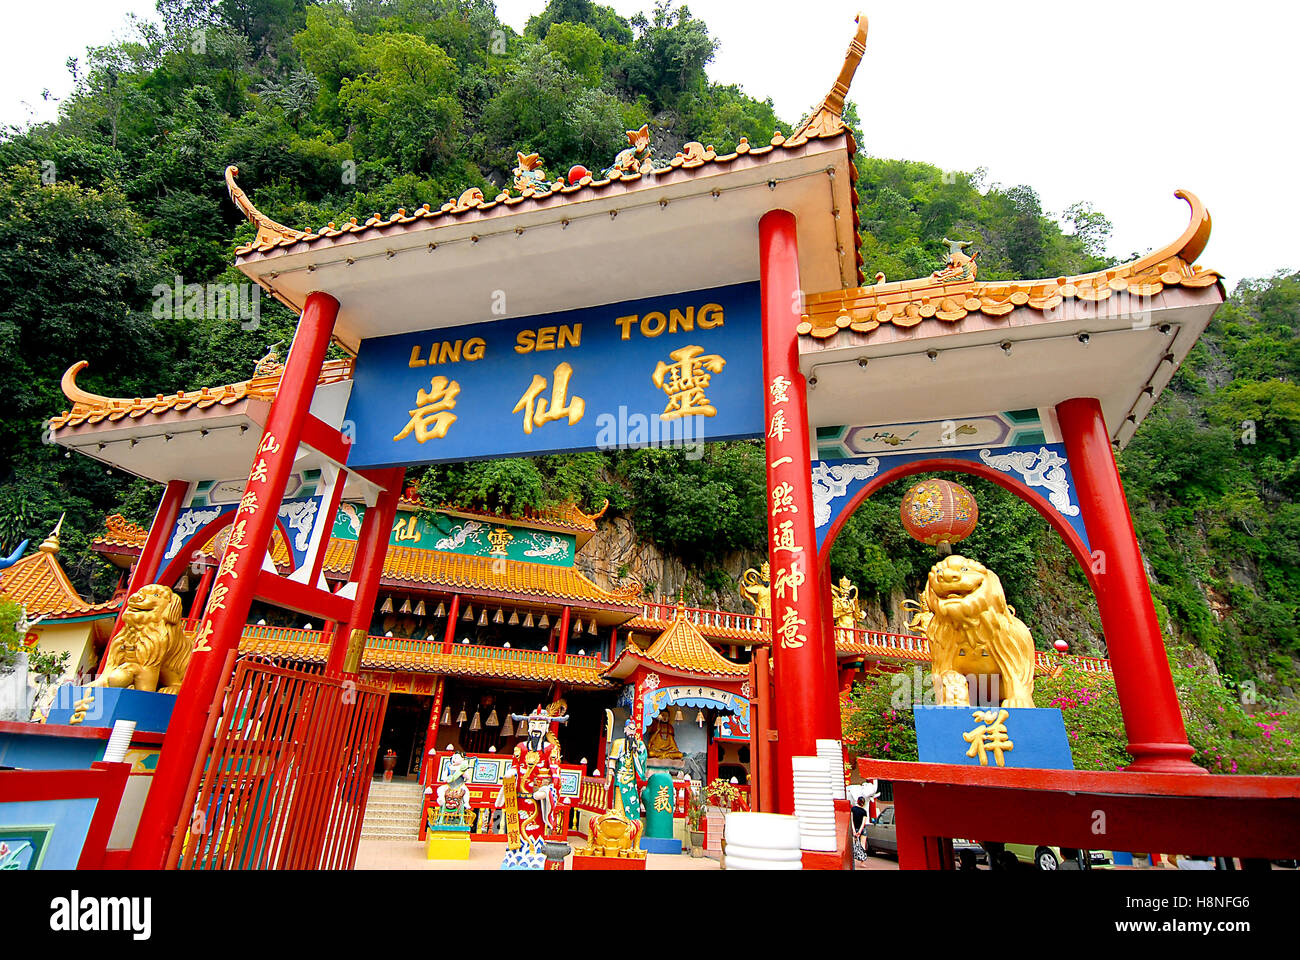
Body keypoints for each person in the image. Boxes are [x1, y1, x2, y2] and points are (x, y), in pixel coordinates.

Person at [850, 795, 869, 862]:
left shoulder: (853, 809)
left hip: (855, 828)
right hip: (862, 830)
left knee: (853, 844)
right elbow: (863, 823)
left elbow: (851, 820)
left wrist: (854, 830)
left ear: (857, 802)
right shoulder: (864, 812)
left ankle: (853, 860)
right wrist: (860, 831)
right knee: (863, 844)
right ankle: (862, 861)